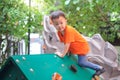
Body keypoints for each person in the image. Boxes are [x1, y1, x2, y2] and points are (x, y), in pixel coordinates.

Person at [50, 10, 105, 77]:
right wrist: (68, 52)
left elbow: (67, 44)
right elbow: (65, 43)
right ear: (53, 25)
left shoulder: (68, 30)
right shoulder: (59, 33)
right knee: (75, 59)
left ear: (65, 21)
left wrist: (62, 55)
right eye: (56, 24)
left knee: (81, 63)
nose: (59, 26)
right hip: (76, 49)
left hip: (82, 48)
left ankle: (99, 68)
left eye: (61, 23)